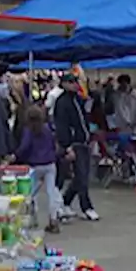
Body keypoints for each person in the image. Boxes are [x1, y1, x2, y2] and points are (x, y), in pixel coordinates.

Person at [53, 72, 98, 221]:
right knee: (81, 175)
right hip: (73, 144)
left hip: (83, 141)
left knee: (80, 177)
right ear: (64, 84)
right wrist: (67, 146)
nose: (74, 84)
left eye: (75, 81)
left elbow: (83, 120)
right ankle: (87, 207)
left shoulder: (78, 100)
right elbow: (62, 126)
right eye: (71, 82)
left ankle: (66, 202)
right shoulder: (62, 102)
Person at [15, 104, 63, 232]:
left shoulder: (28, 131)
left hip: (34, 165)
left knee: (31, 194)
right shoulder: (47, 129)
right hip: (49, 163)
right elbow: (54, 145)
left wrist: (15, 156)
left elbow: (25, 147)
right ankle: (53, 219)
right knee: (51, 192)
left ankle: (33, 219)